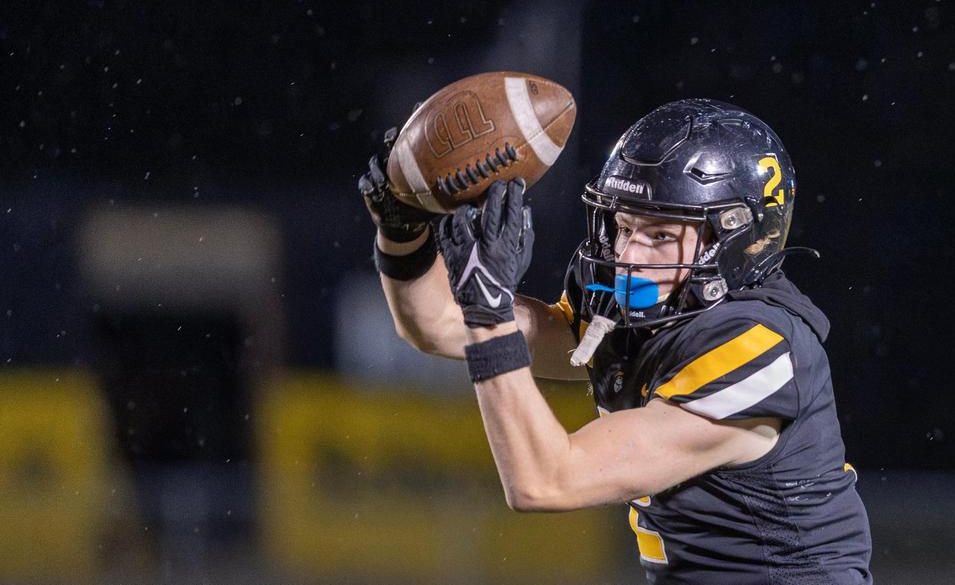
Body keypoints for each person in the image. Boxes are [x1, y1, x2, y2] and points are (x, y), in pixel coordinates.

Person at [359, 99, 872, 584]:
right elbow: (436, 326)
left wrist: (491, 313)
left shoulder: (755, 346)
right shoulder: (644, 315)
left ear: (737, 240)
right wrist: (401, 232)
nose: (628, 256)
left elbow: (546, 480)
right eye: (625, 226)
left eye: (661, 235)